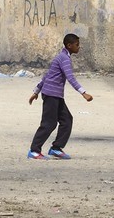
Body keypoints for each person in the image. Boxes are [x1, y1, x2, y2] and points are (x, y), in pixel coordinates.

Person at [27, 32, 93, 160]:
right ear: (69, 45)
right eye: (77, 45)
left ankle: (56, 148)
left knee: (67, 120)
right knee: (49, 124)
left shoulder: (62, 57)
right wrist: (83, 93)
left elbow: (47, 75)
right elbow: (70, 78)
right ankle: (34, 151)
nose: (79, 47)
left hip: (55, 95)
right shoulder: (64, 59)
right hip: (51, 95)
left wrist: (36, 91)